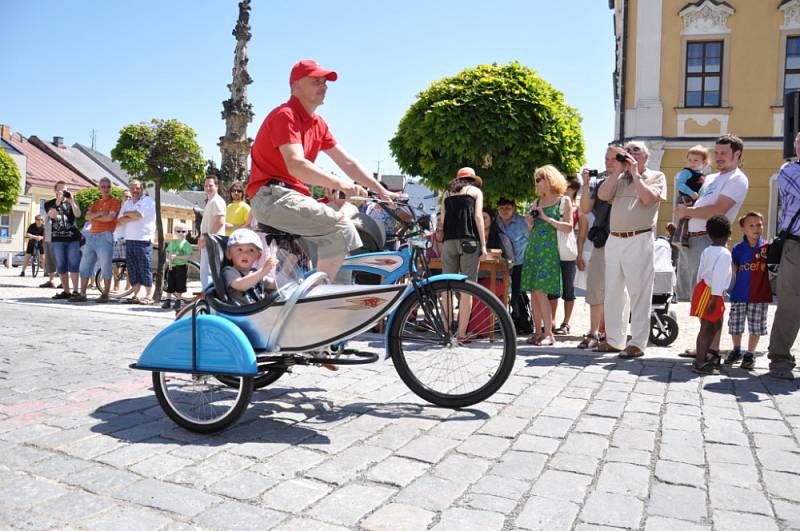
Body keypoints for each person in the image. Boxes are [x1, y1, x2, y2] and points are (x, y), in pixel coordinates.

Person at [246, 59, 396, 279]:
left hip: (292, 197)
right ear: (296, 85)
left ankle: (335, 307)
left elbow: (347, 163)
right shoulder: (285, 115)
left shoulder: (318, 124)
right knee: (341, 229)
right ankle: (317, 298)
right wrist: (342, 184)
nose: (324, 86)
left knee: (340, 257)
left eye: (325, 81)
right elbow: (297, 165)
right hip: (272, 198)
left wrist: (381, 191)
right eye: (316, 81)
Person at [597, 141, 667, 359]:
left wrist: (636, 174)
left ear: (647, 156)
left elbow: (647, 199)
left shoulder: (656, 176)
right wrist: (618, 170)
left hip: (639, 238)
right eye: (627, 150)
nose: (630, 153)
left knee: (639, 292)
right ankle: (615, 340)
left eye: (636, 150)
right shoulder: (619, 178)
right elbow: (602, 195)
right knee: (613, 292)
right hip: (615, 239)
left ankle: (637, 342)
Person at [675, 135, 749, 301]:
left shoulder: (737, 178)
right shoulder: (710, 178)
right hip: (689, 239)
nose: (718, 157)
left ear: (737, 154)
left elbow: (718, 210)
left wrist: (687, 212)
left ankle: (709, 328)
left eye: (723, 153)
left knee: (707, 298)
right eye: (716, 153)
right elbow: (700, 202)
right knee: (688, 298)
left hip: (708, 239)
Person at [522, 165, 573, 347]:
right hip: (534, 249)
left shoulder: (563, 201)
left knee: (541, 292)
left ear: (549, 179)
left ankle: (549, 333)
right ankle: (537, 332)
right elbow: (532, 231)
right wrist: (530, 224)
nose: (537, 183)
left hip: (549, 251)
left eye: (539, 179)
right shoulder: (536, 202)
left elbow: (568, 227)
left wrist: (546, 218)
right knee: (534, 293)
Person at [766, 133, 800, 380]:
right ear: (797, 148)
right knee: (791, 302)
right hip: (795, 246)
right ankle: (779, 357)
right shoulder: (789, 170)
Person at [576, 153, 615, 350]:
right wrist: (585, 184)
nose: (608, 161)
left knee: (617, 290)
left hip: (624, 239)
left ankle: (612, 333)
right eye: (606, 158)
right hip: (602, 240)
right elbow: (584, 208)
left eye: (613, 158)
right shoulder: (598, 183)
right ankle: (594, 332)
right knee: (596, 287)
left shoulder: (629, 180)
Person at [723, 212, 771, 370]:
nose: (756, 228)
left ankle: (750, 354)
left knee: (756, 326)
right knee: (735, 325)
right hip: (739, 294)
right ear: (743, 229)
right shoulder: (738, 249)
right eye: (751, 225)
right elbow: (735, 269)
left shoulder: (767, 248)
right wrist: (728, 257)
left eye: (759, 224)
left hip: (760, 294)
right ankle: (736, 350)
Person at [690, 215, 732, 375]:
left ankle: (706, 355)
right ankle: (700, 363)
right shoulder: (725, 254)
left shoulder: (707, 250)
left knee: (715, 323)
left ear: (708, 234)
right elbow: (720, 277)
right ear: (729, 233)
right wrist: (714, 299)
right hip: (712, 292)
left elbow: (700, 273)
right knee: (706, 327)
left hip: (704, 289)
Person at [71, 178, 121, 303]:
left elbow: (110, 218)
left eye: (108, 187)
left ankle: (106, 294)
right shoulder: (95, 203)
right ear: (99, 188)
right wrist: (100, 214)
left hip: (105, 236)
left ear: (111, 188)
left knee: (105, 266)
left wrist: (96, 216)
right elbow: (87, 217)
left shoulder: (115, 201)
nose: (105, 189)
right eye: (103, 186)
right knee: (85, 265)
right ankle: (82, 294)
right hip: (92, 236)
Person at [549, 178, 581, 335]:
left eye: (568, 186)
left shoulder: (577, 207)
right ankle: (552, 320)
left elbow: (580, 232)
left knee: (569, 287)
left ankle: (566, 323)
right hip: (553, 247)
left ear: (574, 188)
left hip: (568, 248)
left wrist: (580, 254)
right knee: (553, 288)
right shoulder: (555, 202)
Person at [116, 180, 156, 304]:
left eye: (137, 188)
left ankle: (149, 295)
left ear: (142, 189)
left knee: (144, 267)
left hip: (143, 239)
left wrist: (128, 215)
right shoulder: (127, 203)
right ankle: (136, 295)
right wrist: (129, 215)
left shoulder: (148, 201)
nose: (135, 190)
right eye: (132, 188)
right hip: (129, 239)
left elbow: (138, 215)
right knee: (133, 268)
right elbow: (119, 221)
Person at [44, 181, 82, 300]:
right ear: (55, 191)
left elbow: (78, 214)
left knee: (74, 265)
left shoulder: (72, 202)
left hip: (73, 238)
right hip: (58, 239)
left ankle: (75, 291)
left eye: (64, 190)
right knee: (61, 265)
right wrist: (58, 201)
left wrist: (71, 201)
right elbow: (52, 215)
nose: (62, 192)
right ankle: (66, 291)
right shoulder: (49, 203)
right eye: (60, 190)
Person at [222, 228, 278, 305]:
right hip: (241, 313)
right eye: (239, 249)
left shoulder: (254, 272)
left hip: (259, 312)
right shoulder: (229, 271)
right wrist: (263, 270)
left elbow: (276, 285)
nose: (245, 254)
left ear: (258, 256)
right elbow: (241, 285)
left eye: (251, 250)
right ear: (228, 254)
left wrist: (287, 270)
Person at [673, 145, 709, 246]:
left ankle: (686, 237)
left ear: (704, 162)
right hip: (686, 198)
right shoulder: (686, 172)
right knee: (685, 218)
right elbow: (680, 184)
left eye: (696, 160)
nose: (692, 163)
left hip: (694, 198)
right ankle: (679, 238)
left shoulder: (702, 175)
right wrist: (690, 192)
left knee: (691, 218)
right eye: (690, 160)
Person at [496, 197, 529, 301]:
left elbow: (531, 239)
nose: (504, 211)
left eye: (507, 208)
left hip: (519, 262)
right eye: (501, 208)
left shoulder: (522, 222)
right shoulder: (496, 222)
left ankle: (519, 315)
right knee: (500, 290)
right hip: (501, 263)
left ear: (513, 208)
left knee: (517, 292)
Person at [199, 176, 226, 288]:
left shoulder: (216, 201)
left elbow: (220, 221)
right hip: (209, 241)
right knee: (207, 273)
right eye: (206, 185)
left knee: (208, 273)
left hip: (212, 242)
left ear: (217, 186)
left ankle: (210, 300)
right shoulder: (211, 201)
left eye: (211, 185)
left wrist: (206, 238)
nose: (208, 188)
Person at [162, 224, 194, 310]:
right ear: (175, 232)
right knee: (170, 284)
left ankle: (178, 300)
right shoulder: (173, 242)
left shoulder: (187, 244)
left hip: (182, 267)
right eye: (178, 231)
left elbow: (187, 257)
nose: (181, 233)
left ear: (187, 232)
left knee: (180, 284)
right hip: (173, 266)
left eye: (183, 231)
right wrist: (170, 262)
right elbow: (168, 252)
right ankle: (168, 300)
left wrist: (177, 257)